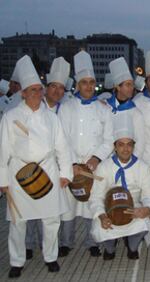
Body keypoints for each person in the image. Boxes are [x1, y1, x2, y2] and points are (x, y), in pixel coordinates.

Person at [0, 55, 73, 278]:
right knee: (18, 221)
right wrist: (2, 181)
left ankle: (50, 257)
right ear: (23, 93)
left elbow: (62, 147)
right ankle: (16, 261)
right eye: (32, 90)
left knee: (51, 220)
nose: (37, 94)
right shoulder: (10, 117)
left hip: (48, 171)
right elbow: (3, 150)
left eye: (39, 90)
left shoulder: (52, 118)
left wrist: (65, 173)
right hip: (18, 173)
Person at [58, 50, 114, 258]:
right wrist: (72, 163)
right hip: (70, 164)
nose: (89, 86)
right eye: (84, 82)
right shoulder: (66, 108)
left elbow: (109, 140)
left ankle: (93, 241)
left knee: (93, 203)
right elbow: (62, 138)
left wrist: (95, 158)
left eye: (91, 82)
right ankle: (66, 242)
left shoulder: (104, 109)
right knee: (68, 207)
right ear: (78, 85)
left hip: (94, 166)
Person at [89, 116, 150, 260]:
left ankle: (132, 247)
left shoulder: (142, 167)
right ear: (115, 147)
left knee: (143, 223)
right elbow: (96, 196)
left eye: (129, 144)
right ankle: (110, 247)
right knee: (98, 227)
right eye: (121, 144)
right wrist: (102, 215)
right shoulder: (104, 167)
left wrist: (146, 208)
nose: (126, 149)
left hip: (134, 206)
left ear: (133, 146)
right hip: (109, 208)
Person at [25, 56, 71, 258]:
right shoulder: (31, 107)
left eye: (61, 88)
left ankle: (51, 248)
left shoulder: (67, 109)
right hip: (30, 166)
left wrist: (66, 170)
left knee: (52, 212)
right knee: (30, 209)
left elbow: (66, 144)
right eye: (54, 86)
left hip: (54, 166)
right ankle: (28, 245)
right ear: (46, 87)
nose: (57, 91)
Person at [107, 57, 146, 159]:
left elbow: (140, 144)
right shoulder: (105, 108)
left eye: (132, 85)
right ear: (118, 87)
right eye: (128, 85)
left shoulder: (136, 113)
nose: (132, 88)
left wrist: (130, 164)